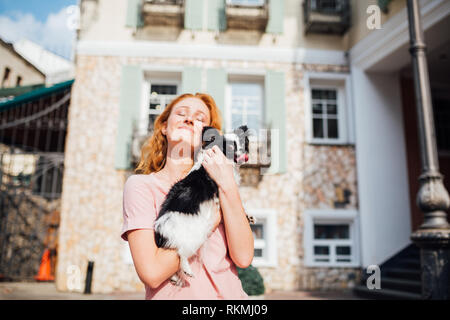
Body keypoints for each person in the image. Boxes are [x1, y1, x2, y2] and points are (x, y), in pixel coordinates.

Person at [120, 93, 254, 299]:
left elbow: (244, 257)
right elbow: (152, 272)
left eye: (200, 119)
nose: (190, 119)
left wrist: (227, 182)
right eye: (181, 113)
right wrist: (210, 216)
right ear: (164, 127)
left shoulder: (222, 184)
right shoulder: (141, 186)